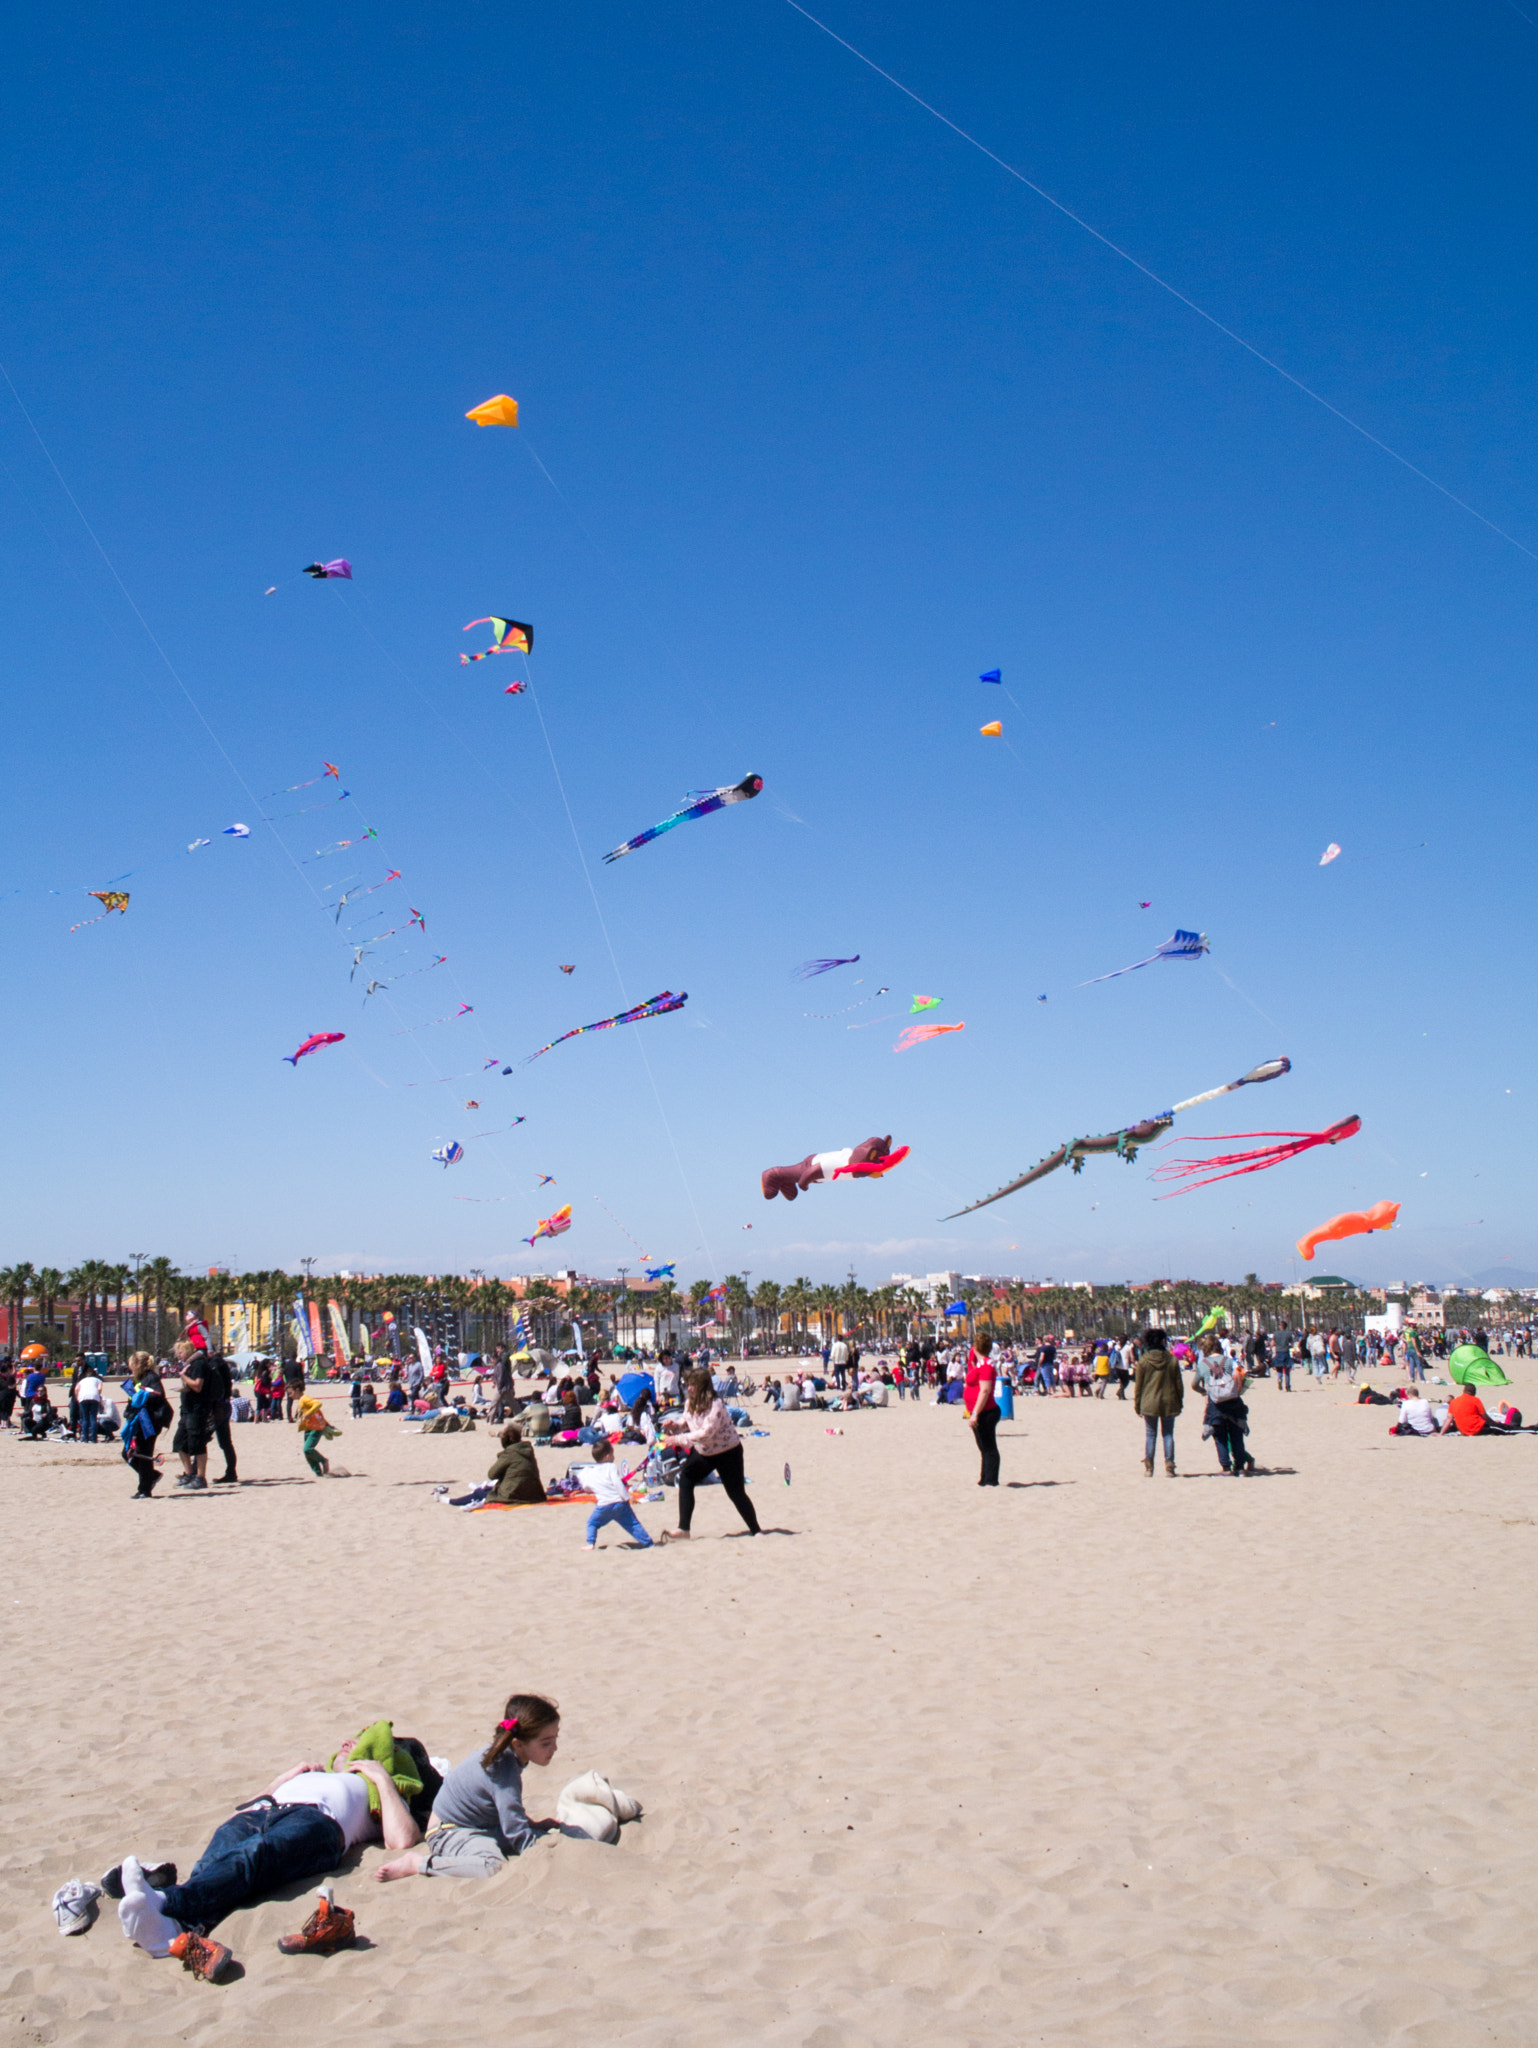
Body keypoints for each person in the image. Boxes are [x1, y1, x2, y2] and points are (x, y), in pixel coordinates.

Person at [109, 1738, 421, 1975]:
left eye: (364, 1743)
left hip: (319, 1824)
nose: (349, 1744)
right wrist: (285, 1777)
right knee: (217, 1860)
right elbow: (246, 1805)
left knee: (254, 1855)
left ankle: (165, 1902)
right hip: (263, 1811)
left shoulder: (377, 1789)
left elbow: (403, 1839)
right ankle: (174, 1930)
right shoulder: (313, 1774)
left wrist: (382, 1779)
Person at [375, 1693, 564, 1881]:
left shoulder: (507, 1757)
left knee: (545, 1836)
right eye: (546, 1743)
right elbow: (516, 1833)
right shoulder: (503, 1771)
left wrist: (534, 1826)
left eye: (555, 1738)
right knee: (491, 1866)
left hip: (479, 1825)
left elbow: (509, 1813)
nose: (554, 1748)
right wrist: (545, 1860)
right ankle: (418, 1864)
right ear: (518, 1744)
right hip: (448, 1831)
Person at [663, 1368, 761, 1538]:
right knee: (686, 1479)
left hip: (728, 1452)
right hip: (704, 1452)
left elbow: (705, 1433)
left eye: (693, 1385)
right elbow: (684, 1423)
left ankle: (756, 1530)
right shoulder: (689, 1402)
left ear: (702, 1386)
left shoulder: (716, 1404)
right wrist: (674, 1427)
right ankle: (683, 1529)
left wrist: (678, 1439)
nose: (689, 1388)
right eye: (688, 1384)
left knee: (736, 1493)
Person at [442, 1423, 546, 1508]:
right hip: (535, 1494)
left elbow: (492, 1474)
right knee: (488, 1489)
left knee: (480, 1493)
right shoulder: (528, 1451)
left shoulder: (509, 1453)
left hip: (515, 1494)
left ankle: (451, 1501)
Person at [583, 1441, 656, 1549]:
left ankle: (590, 1543)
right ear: (608, 1456)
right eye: (612, 1454)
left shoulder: (592, 1471)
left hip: (603, 1506)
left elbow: (586, 1486)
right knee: (633, 1524)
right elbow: (617, 1483)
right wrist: (627, 1496)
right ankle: (648, 1543)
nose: (614, 1457)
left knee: (592, 1523)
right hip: (620, 1504)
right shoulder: (611, 1466)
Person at [1133, 1329, 1183, 1477]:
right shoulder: (1172, 1360)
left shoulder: (1143, 1361)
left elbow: (1139, 1386)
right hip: (1169, 1401)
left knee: (1150, 1435)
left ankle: (1149, 1468)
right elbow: (1179, 1384)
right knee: (1168, 1434)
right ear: (1163, 1341)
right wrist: (1180, 1401)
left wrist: (1137, 1405)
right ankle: (1169, 1466)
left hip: (1149, 1402)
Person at [121, 1357, 172, 1499]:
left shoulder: (151, 1377)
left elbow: (158, 1395)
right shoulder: (139, 1378)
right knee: (129, 1453)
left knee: (143, 1453)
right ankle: (151, 1477)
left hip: (150, 1421)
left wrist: (143, 1395)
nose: (130, 1367)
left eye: (132, 1363)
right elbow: (132, 1399)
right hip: (139, 1420)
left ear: (138, 1364)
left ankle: (144, 1489)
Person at [171, 1341, 213, 1490]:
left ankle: (200, 1477)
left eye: (180, 1352)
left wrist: (183, 1377)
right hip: (187, 1410)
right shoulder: (189, 1364)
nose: (178, 1355)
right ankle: (189, 1474)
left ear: (188, 1351)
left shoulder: (198, 1364)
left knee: (198, 1444)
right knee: (179, 1443)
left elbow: (197, 1385)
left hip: (198, 1410)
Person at [962, 1330, 1001, 1486]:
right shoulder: (980, 1364)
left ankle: (991, 1480)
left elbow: (984, 1390)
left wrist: (975, 1413)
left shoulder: (986, 1365)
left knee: (989, 1447)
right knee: (983, 1448)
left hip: (986, 1411)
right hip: (979, 1411)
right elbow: (971, 1362)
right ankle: (984, 1478)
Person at [295, 1391, 340, 1475]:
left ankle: (324, 1461)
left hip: (316, 1428)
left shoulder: (305, 1398)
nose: (290, 1395)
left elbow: (318, 1403)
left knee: (307, 1449)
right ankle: (318, 1473)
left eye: (291, 1393)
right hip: (308, 1428)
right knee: (307, 1452)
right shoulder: (301, 1401)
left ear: (297, 1389)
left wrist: (309, 1413)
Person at [75, 1363, 104, 1443]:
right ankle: (93, 1438)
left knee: (85, 1418)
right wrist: (98, 1395)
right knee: (93, 1418)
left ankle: (85, 1438)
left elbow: (76, 1389)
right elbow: (99, 1389)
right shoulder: (98, 1380)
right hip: (94, 1397)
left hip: (83, 1397)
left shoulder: (82, 1380)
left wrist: (78, 1397)